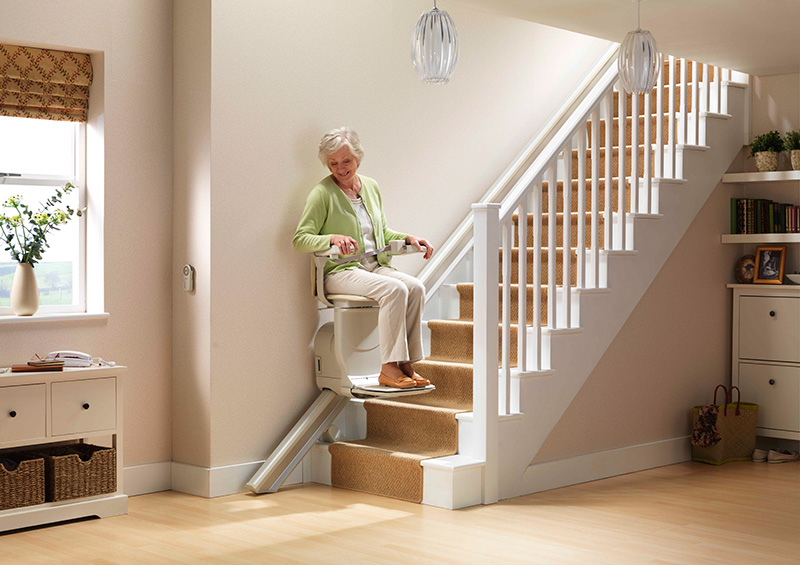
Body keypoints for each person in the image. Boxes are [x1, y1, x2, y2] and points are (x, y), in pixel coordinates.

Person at [293, 127, 435, 389]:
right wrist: (331, 239)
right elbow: (300, 239)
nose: (340, 168)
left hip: (374, 266)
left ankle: (406, 364)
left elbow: (380, 233)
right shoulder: (321, 194)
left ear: (358, 157)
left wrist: (408, 238)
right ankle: (389, 368)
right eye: (333, 163)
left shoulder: (370, 187)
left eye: (346, 161)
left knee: (415, 288)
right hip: (339, 272)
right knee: (395, 289)